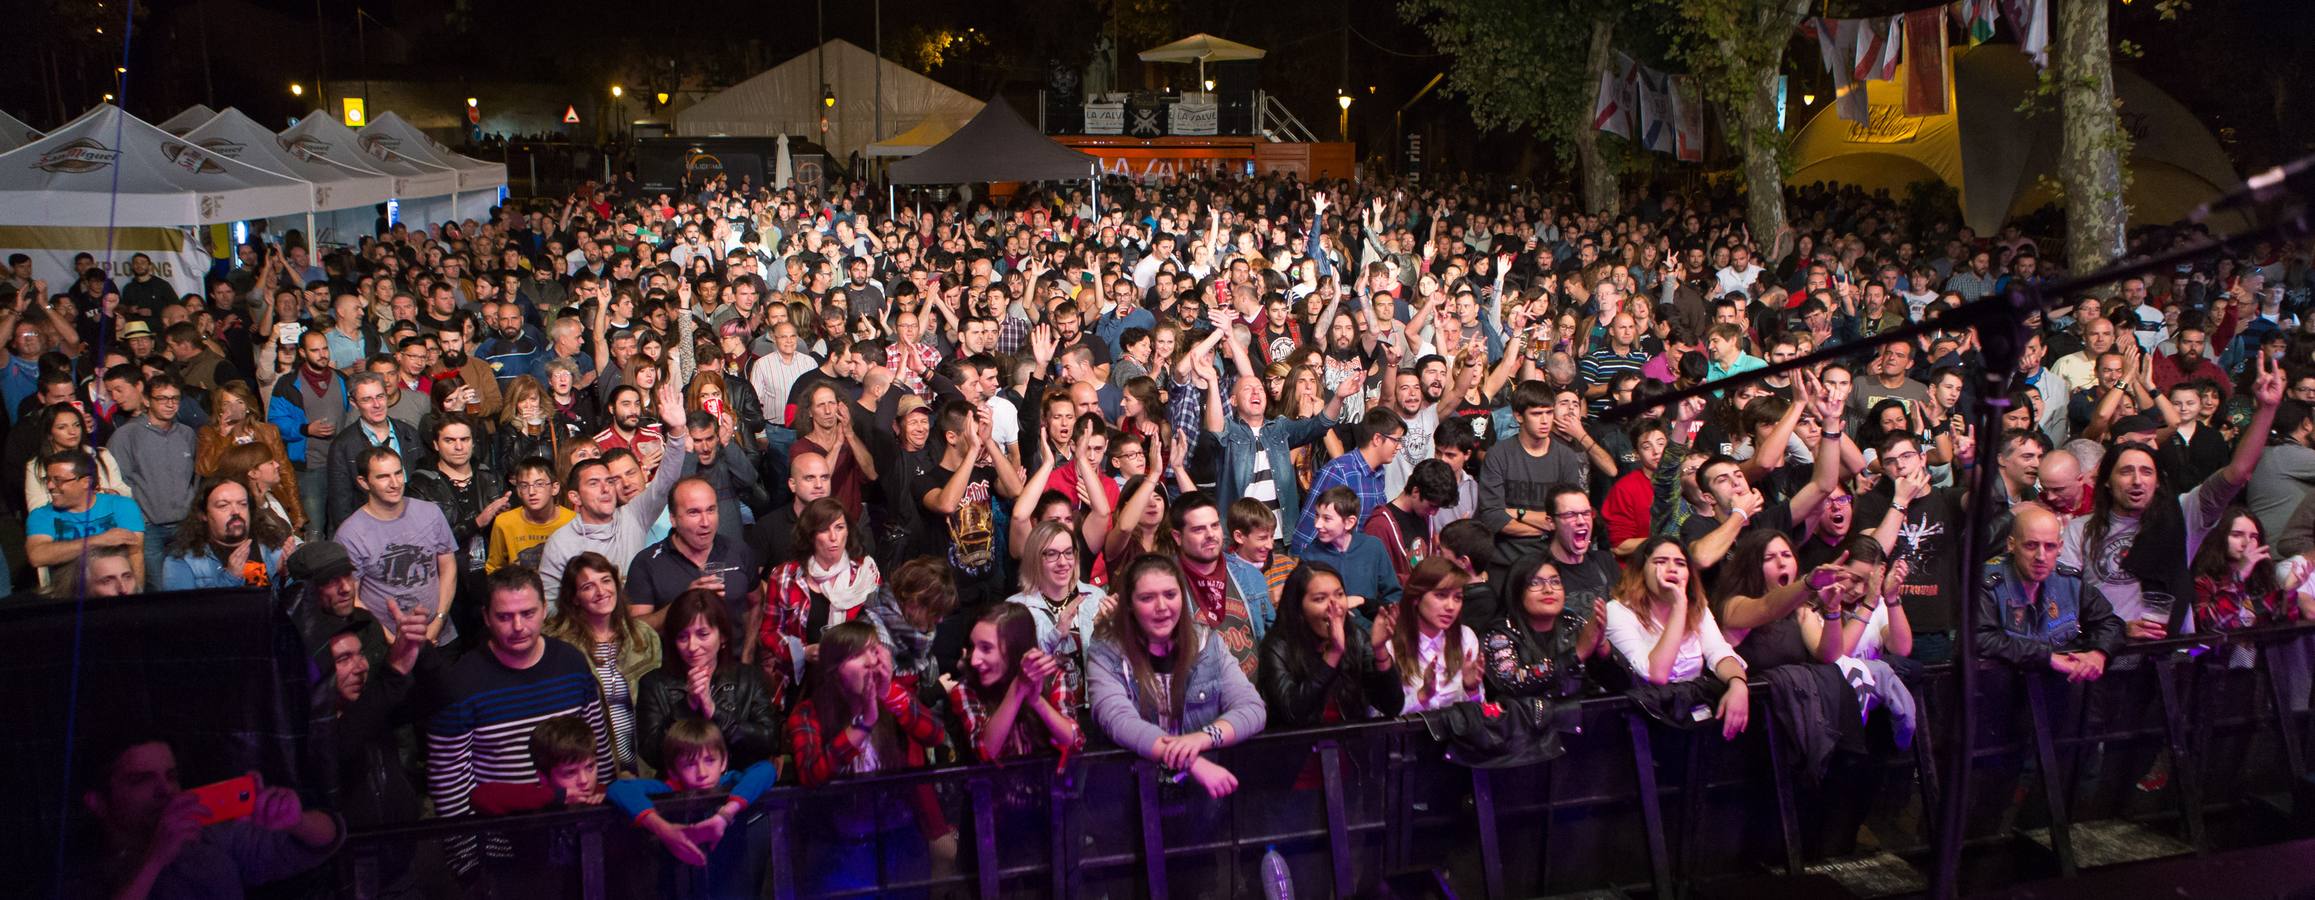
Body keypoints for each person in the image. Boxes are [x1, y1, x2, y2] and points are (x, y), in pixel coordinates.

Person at [424, 566, 616, 868]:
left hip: (575, 833)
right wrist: (467, 862)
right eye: (504, 616)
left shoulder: (570, 663)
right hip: (502, 842)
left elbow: (598, 748)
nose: (518, 626)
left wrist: (602, 818)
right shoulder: (460, 682)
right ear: (486, 617)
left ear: (544, 610)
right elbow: (449, 781)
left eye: (527, 613)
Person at [65, 734, 341, 899]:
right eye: (141, 780)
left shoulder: (208, 836)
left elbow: (327, 839)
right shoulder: (78, 870)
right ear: (98, 802)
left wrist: (297, 822)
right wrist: (155, 858)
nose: (165, 790)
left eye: (171, 776)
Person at [784, 620, 950, 893]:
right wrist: (861, 726)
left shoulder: (893, 697)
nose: (870, 662)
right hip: (840, 849)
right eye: (856, 654)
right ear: (833, 669)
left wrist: (887, 693)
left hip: (900, 839)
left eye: (874, 650)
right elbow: (810, 773)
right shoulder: (808, 712)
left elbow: (934, 734)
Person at [1087, 554, 1267, 799]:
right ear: (1129, 604)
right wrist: (1191, 761)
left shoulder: (1207, 644)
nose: (1162, 607)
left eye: (1170, 595)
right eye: (1147, 598)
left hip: (1200, 798)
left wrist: (1200, 740)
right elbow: (1117, 720)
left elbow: (1253, 709)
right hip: (1132, 797)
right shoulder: (1106, 650)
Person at [537, 378, 691, 606]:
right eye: (593, 483)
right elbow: (549, 605)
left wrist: (677, 432)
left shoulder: (633, 515)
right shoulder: (561, 543)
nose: (605, 488)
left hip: (639, 627)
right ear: (574, 497)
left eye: (609, 481)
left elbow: (664, 481)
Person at [1602, 537, 1752, 739]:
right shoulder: (1618, 611)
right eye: (1660, 562)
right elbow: (1655, 674)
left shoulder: (1698, 610)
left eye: (1680, 563)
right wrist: (1678, 606)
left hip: (1690, 719)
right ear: (1641, 569)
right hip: (1642, 726)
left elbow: (1719, 651)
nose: (1671, 568)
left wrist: (1738, 684)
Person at [607, 718, 780, 886]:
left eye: (710, 760)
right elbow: (619, 787)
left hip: (731, 880)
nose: (702, 772)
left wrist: (725, 814)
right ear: (673, 770)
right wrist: (663, 829)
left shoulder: (731, 782)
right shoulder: (670, 789)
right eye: (690, 764)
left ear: (724, 761)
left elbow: (766, 769)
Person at [635, 589, 778, 772]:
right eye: (682, 637)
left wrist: (714, 711)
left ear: (723, 636)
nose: (692, 646)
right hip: (679, 791)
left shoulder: (748, 678)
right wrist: (686, 707)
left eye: (703, 634)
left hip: (738, 784)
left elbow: (768, 742)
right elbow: (652, 753)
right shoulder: (654, 683)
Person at [544, 552, 661, 774]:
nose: (601, 592)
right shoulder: (559, 645)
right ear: (574, 597)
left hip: (645, 766)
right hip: (592, 769)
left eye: (606, 581)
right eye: (588, 586)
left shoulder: (644, 636)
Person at [754, 497, 881, 702]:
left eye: (839, 527)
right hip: (802, 682)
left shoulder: (865, 572)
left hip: (853, 682)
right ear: (810, 536)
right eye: (824, 530)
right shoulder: (785, 575)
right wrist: (802, 652)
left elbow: (880, 631)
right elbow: (768, 632)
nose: (834, 537)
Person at [1976, 504, 2123, 680]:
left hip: (2057, 691)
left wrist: (2098, 654)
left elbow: (2110, 622)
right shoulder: (1985, 584)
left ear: (2060, 547)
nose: (2041, 556)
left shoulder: (2068, 582)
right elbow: (1980, 639)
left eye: (2050, 546)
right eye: (2031, 545)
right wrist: (2046, 657)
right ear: (2011, 545)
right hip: (2001, 691)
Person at [1256, 560, 1405, 728]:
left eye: (1339, 595)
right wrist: (1333, 654)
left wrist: (1379, 650)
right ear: (1299, 608)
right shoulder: (1276, 647)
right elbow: (1293, 714)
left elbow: (1392, 707)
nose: (1334, 605)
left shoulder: (1355, 636)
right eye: (1320, 599)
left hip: (1352, 748)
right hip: (1300, 750)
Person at [335, 447, 459, 646]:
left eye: (398, 473)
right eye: (383, 477)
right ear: (363, 482)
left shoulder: (430, 512)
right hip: (387, 644)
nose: (395, 483)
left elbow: (448, 567)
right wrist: (392, 641)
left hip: (440, 636)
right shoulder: (350, 534)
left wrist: (438, 621)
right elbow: (352, 598)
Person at [944, 602, 1086, 761]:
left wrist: (1037, 701)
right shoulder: (966, 689)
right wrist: (1017, 690)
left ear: (1015, 650)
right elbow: (984, 753)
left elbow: (1074, 742)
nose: (974, 660)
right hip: (992, 784)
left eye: (986, 648)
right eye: (972, 646)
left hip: (1048, 783)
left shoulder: (1052, 678)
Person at [1480, 555, 1606, 715]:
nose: (1548, 589)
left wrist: (1602, 646)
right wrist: (1576, 655)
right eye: (1535, 583)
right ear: (1517, 590)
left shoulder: (1571, 622)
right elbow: (1513, 682)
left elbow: (1623, 682)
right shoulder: (1499, 635)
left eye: (1555, 582)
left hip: (1580, 722)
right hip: (1525, 731)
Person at [627, 477, 760, 628]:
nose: (705, 522)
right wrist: (683, 603)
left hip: (735, 652)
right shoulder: (646, 563)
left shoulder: (739, 551)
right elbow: (636, 630)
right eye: (694, 513)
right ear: (673, 519)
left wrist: (748, 651)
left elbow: (756, 605)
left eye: (711, 510)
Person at [1005, 519, 1104, 707]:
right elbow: (1016, 672)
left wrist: (1109, 632)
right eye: (1052, 554)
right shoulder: (1016, 608)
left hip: (1092, 711)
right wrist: (1056, 634)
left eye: (1068, 553)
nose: (1063, 562)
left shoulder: (1095, 597)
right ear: (1035, 557)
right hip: (1043, 712)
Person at [109, 374, 200, 575]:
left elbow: (194, 477)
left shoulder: (187, 434)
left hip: (184, 526)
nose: (170, 404)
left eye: (175, 398)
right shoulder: (126, 435)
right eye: (162, 398)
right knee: (156, 587)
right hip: (148, 528)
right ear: (147, 401)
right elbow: (118, 482)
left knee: (185, 586)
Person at [25, 451, 146, 589]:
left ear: (86, 482)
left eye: (58, 480)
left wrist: (136, 598)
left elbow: (135, 554)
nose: (50, 486)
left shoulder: (121, 506)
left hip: (116, 593)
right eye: (48, 479)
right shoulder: (42, 515)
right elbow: (37, 556)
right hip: (67, 595)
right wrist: (98, 540)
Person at [1383, 557, 1486, 712]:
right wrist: (1422, 696)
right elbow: (1378, 716)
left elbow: (1479, 710)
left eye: (1457, 597)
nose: (1451, 606)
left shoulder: (1466, 638)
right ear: (1417, 597)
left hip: (1455, 734)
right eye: (1441, 595)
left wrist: (1471, 689)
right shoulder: (1389, 646)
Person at [324, 373, 423, 532]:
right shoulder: (343, 445)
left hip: (411, 523)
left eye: (380, 396)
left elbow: (421, 482)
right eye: (367, 399)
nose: (376, 404)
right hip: (369, 529)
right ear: (354, 403)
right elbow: (340, 502)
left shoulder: (408, 433)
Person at [158, 478, 289, 591]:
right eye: (223, 505)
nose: (235, 511)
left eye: (242, 504)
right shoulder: (182, 561)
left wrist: (284, 575)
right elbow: (183, 614)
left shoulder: (271, 547)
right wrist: (230, 578)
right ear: (203, 514)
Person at [1296, 486, 1403, 613]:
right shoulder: (1310, 556)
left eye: (1327, 519)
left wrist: (1364, 603)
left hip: (1368, 629)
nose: (1317, 524)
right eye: (1317, 516)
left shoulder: (1373, 547)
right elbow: (1301, 605)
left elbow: (1393, 597)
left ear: (1349, 522)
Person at [487, 455, 573, 572]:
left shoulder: (572, 521)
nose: (531, 492)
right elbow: (494, 569)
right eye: (524, 486)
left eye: (539, 484)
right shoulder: (504, 523)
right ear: (518, 491)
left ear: (554, 488)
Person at [215, 441, 306, 537]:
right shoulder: (245, 513)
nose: (277, 465)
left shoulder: (272, 497)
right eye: (271, 463)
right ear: (253, 473)